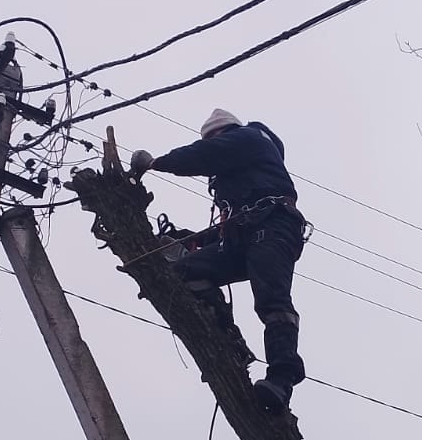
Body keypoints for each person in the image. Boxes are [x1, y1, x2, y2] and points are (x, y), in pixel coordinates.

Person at [131, 109, 307, 413]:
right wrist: (187, 240)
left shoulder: (249, 138)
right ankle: (228, 341)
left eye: (213, 139)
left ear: (224, 133)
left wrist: (157, 163)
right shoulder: (239, 176)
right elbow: (228, 229)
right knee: (183, 270)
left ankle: (282, 380)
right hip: (244, 237)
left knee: (272, 301)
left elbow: (205, 154)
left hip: (275, 227)